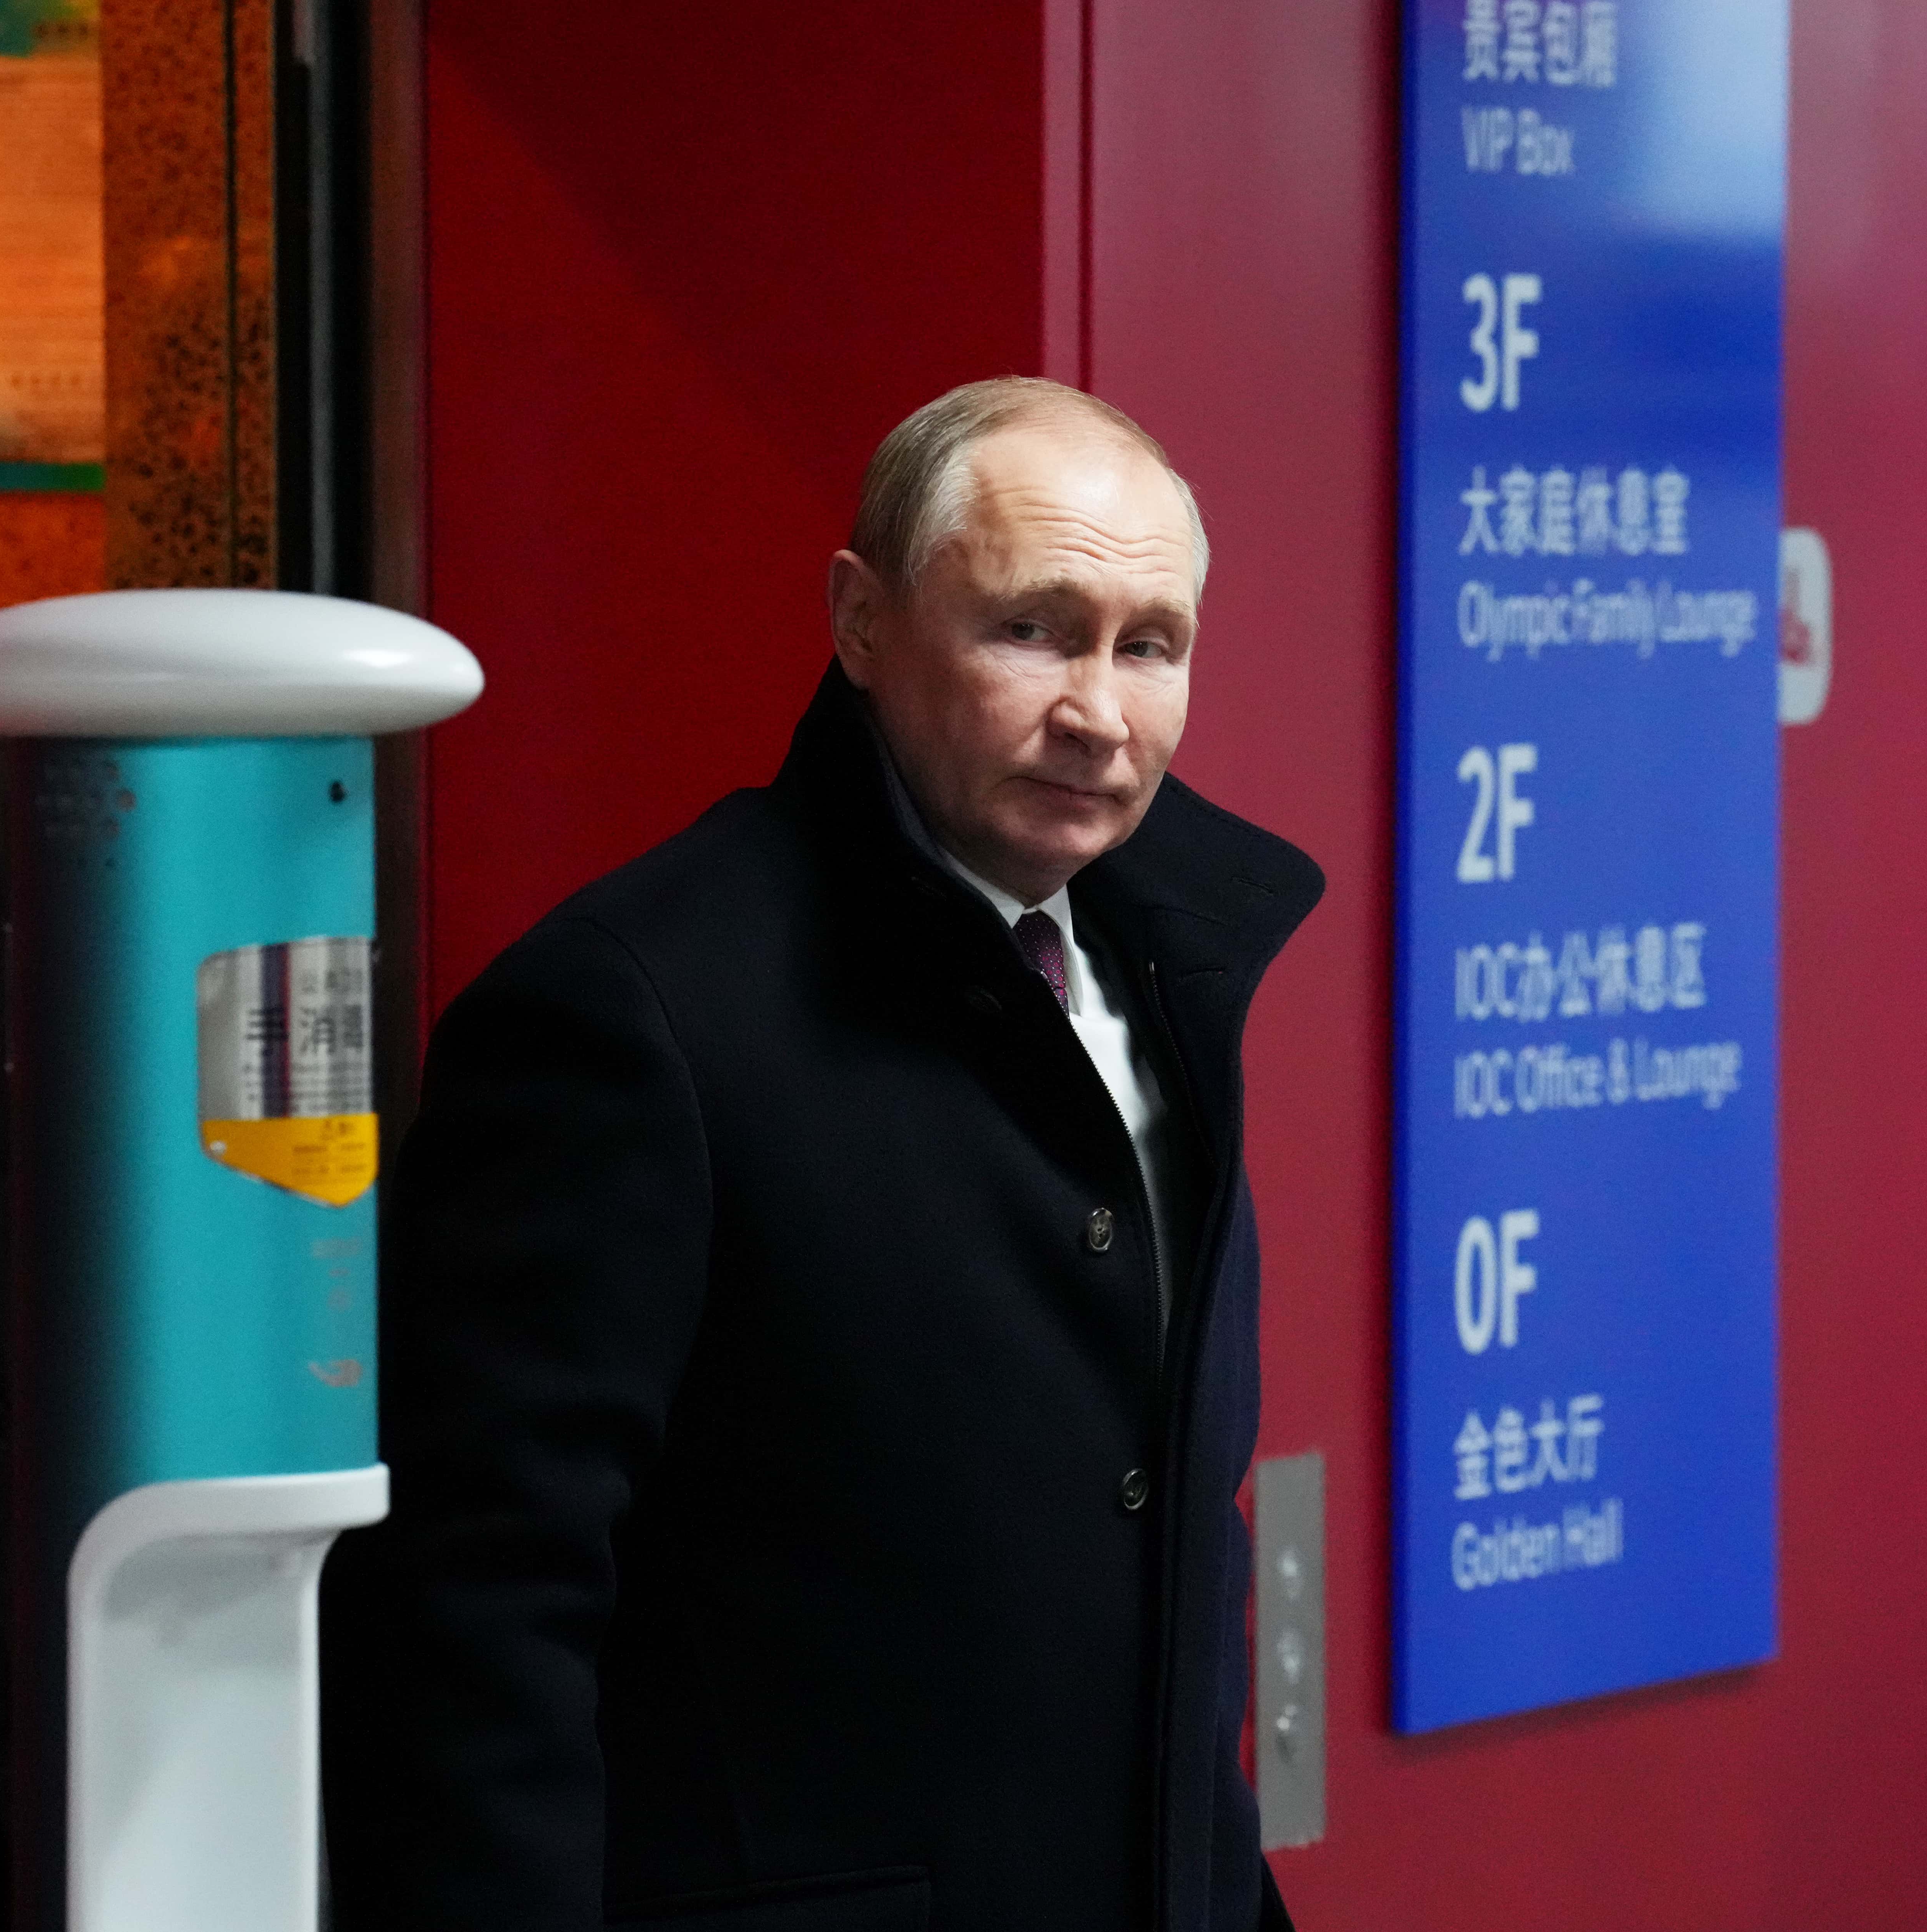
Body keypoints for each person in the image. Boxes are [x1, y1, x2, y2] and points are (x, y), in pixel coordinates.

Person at [324, 377, 1321, 1932]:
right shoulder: (629, 1008)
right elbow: (474, 1615)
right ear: (859, 622)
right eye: (1032, 630)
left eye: (1150, 646)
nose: (1098, 713)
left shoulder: (1170, 980)